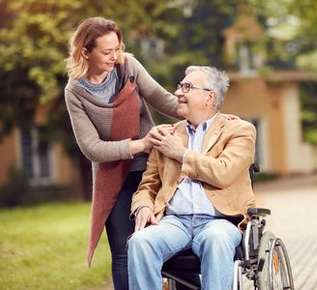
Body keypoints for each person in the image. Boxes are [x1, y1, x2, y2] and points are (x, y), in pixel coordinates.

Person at [64, 17, 179, 290]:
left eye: (117, 48)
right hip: (113, 176)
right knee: (123, 250)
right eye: (106, 51)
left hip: (152, 169)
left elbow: (163, 99)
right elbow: (91, 148)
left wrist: (204, 112)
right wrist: (140, 144)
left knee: (173, 243)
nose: (114, 56)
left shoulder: (127, 66)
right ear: (85, 52)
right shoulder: (75, 92)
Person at [127, 66, 256, 290]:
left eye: (187, 87)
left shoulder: (239, 130)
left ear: (209, 97)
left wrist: (181, 153)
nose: (178, 93)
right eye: (180, 86)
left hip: (219, 221)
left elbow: (223, 172)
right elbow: (148, 185)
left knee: (216, 240)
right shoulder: (167, 134)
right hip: (174, 222)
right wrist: (143, 207)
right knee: (140, 241)